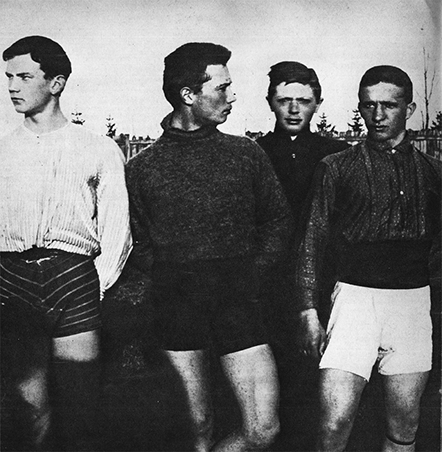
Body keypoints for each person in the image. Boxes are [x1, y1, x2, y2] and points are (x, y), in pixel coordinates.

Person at [125, 42, 294, 452]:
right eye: (222, 88)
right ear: (188, 94)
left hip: (237, 302)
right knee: (196, 431)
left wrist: (251, 273)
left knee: (263, 429)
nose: (232, 96)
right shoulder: (143, 167)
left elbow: (278, 220)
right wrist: (168, 280)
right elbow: (137, 243)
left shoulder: (245, 154)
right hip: (176, 307)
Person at [294, 65, 441, 451]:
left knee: (404, 426)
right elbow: (312, 240)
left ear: (409, 109)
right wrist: (307, 309)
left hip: (412, 304)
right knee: (334, 424)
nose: (377, 115)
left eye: (388, 105)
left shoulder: (433, 172)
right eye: (368, 105)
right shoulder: (337, 167)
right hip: (354, 302)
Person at [0, 35, 132, 450]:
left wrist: (95, 286)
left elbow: (118, 229)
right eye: (8, 77)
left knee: (80, 407)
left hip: (74, 280)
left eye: (24, 77)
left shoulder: (98, 149)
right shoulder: (3, 150)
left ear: (56, 83)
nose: (12, 87)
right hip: (11, 282)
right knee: (28, 410)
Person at [256, 61, 348, 449]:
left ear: (317, 104)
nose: (294, 109)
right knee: (270, 389)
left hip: (322, 285)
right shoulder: (255, 154)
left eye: (304, 101)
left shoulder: (337, 155)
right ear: (270, 103)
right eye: (284, 100)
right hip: (269, 288)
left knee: (321, 384)